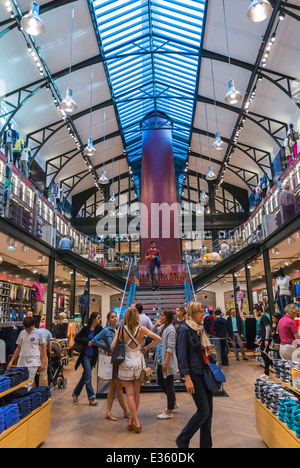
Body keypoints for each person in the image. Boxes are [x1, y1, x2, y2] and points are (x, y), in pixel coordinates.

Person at [111, 306, 161, 433]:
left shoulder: (121, 329)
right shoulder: (141, 329)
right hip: (139, 361)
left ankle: (134, 421)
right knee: (137, 393)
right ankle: (133, 421)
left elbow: (112, 346)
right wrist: (146, 348)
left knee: (129, 393)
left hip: (126, 362)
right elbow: (158, 339)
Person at [176, 302, 213, 449]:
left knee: (208, 414)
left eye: (203, 311)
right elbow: (182, 356)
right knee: (203, 411)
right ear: (192, 312)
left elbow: (204, 352)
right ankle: (183, 439)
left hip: (204, 372)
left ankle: (206, 445)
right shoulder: (184, 330)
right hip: (194, 375)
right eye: (200, 312)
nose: (202, 314)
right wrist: (187, 378)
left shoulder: (199, 329)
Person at [91, 311, 130, 421]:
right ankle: (126, 411)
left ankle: (108, 411)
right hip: (112, 361)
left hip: (120, 360)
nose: (115, 318)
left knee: (113, 387)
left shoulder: (120, 329)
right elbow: (94, 340)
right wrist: (106, 348)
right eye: (112, 317)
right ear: (108, 320)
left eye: (116, 316)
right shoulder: (105, 331)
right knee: (119, 387)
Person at [7, 317, 47, 390]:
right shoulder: (22, 333)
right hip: (21, 361)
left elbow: (43, 347)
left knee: (28, 384)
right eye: (25, 328)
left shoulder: (39, 333)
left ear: (33, 325)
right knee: (19, 383)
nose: (27, 330)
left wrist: (43, 361)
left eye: (29, 328)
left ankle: (23, 400)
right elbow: (18, 348)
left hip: (33, 361)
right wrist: (11, 361)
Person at [72, 312, 102, 406]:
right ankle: (91, 398)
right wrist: (87, 342)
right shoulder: (86, 328)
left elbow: (102, 338)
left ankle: (75, 393)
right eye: (98, 317)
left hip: (93, 356)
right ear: (93, 319)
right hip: (85, 355)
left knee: (85, 377)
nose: (99, 319)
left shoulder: (99, 328)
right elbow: (77, 338)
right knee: (88, 377)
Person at [153, 310, 179, 419]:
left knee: (169, 385)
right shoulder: (162, 328)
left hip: (165, 361)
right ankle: (173, 402)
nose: (160, 317)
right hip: (160, 360)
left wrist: (166, 362)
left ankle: (169, 411)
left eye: (162, 315)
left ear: (167, 317)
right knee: (161, 383)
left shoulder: (171, 330)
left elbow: (170, 347)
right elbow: (154, 335)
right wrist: (155, 325)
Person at [254, 305, 272, 379]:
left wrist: (266, 339)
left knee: (264, 355)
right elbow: (264, 330)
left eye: (256, 312)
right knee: (264, 355)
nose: (255, 314)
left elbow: (268, 328)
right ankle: (266, 372)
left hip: (266, 340)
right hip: (264, 339)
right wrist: (261, 339)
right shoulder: (262, 318)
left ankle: (270, 367)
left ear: (259, 311)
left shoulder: (264, 317)